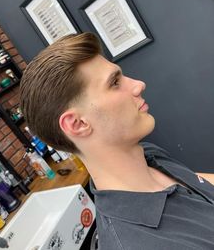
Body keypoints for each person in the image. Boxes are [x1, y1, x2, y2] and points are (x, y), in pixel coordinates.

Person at [19, 32, 214, 250]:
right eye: (114, 82)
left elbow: (200, 184)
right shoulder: (139, 244)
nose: (138, 85)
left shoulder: (147, 155)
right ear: (77, 124)